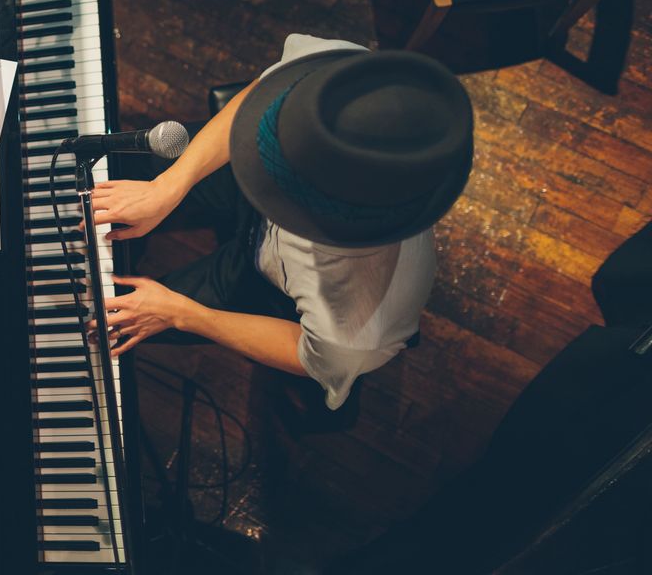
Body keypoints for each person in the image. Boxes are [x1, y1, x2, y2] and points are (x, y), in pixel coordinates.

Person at [89, 34, 474, 409]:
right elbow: (263, 96)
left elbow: (308, 356)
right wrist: (168, 187)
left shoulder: (363, 320)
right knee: (123, 165)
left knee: (110, 314)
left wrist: (182, 314)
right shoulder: (345, 82)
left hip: (265, 282)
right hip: (246, 188)